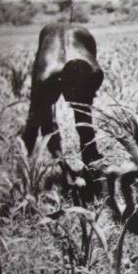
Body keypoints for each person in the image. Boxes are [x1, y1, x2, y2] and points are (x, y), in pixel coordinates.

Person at [22, 23, 104, 167]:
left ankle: (87, 163)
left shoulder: (93, 72)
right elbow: (41, 122)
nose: (68, 98)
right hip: (75, 70)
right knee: (81, 117)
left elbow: (48, 124)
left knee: (80, 117)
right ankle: (87, 162)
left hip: (74, 70)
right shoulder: (46, 78)